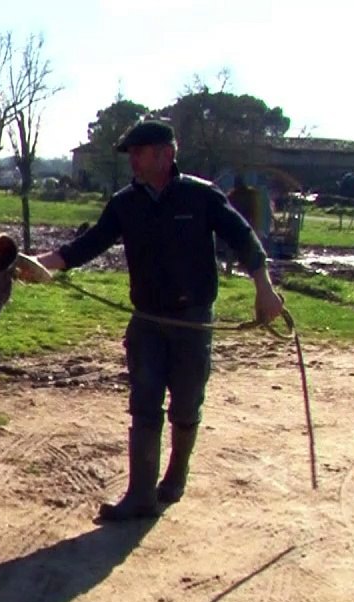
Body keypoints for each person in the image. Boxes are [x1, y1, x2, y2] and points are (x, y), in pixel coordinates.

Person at [35, 119, 284, 522]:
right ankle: (140, 496)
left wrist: (264, 288)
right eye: (131, 153)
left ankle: (176, 475)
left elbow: (244, 239)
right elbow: (90, 243)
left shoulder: (201, 197)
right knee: (144, 403)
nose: (132, 159)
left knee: (185, 405)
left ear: (166, 154)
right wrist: (46, 264)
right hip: (147, 321)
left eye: (140, 151)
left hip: (193, 322)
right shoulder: (124, 203)